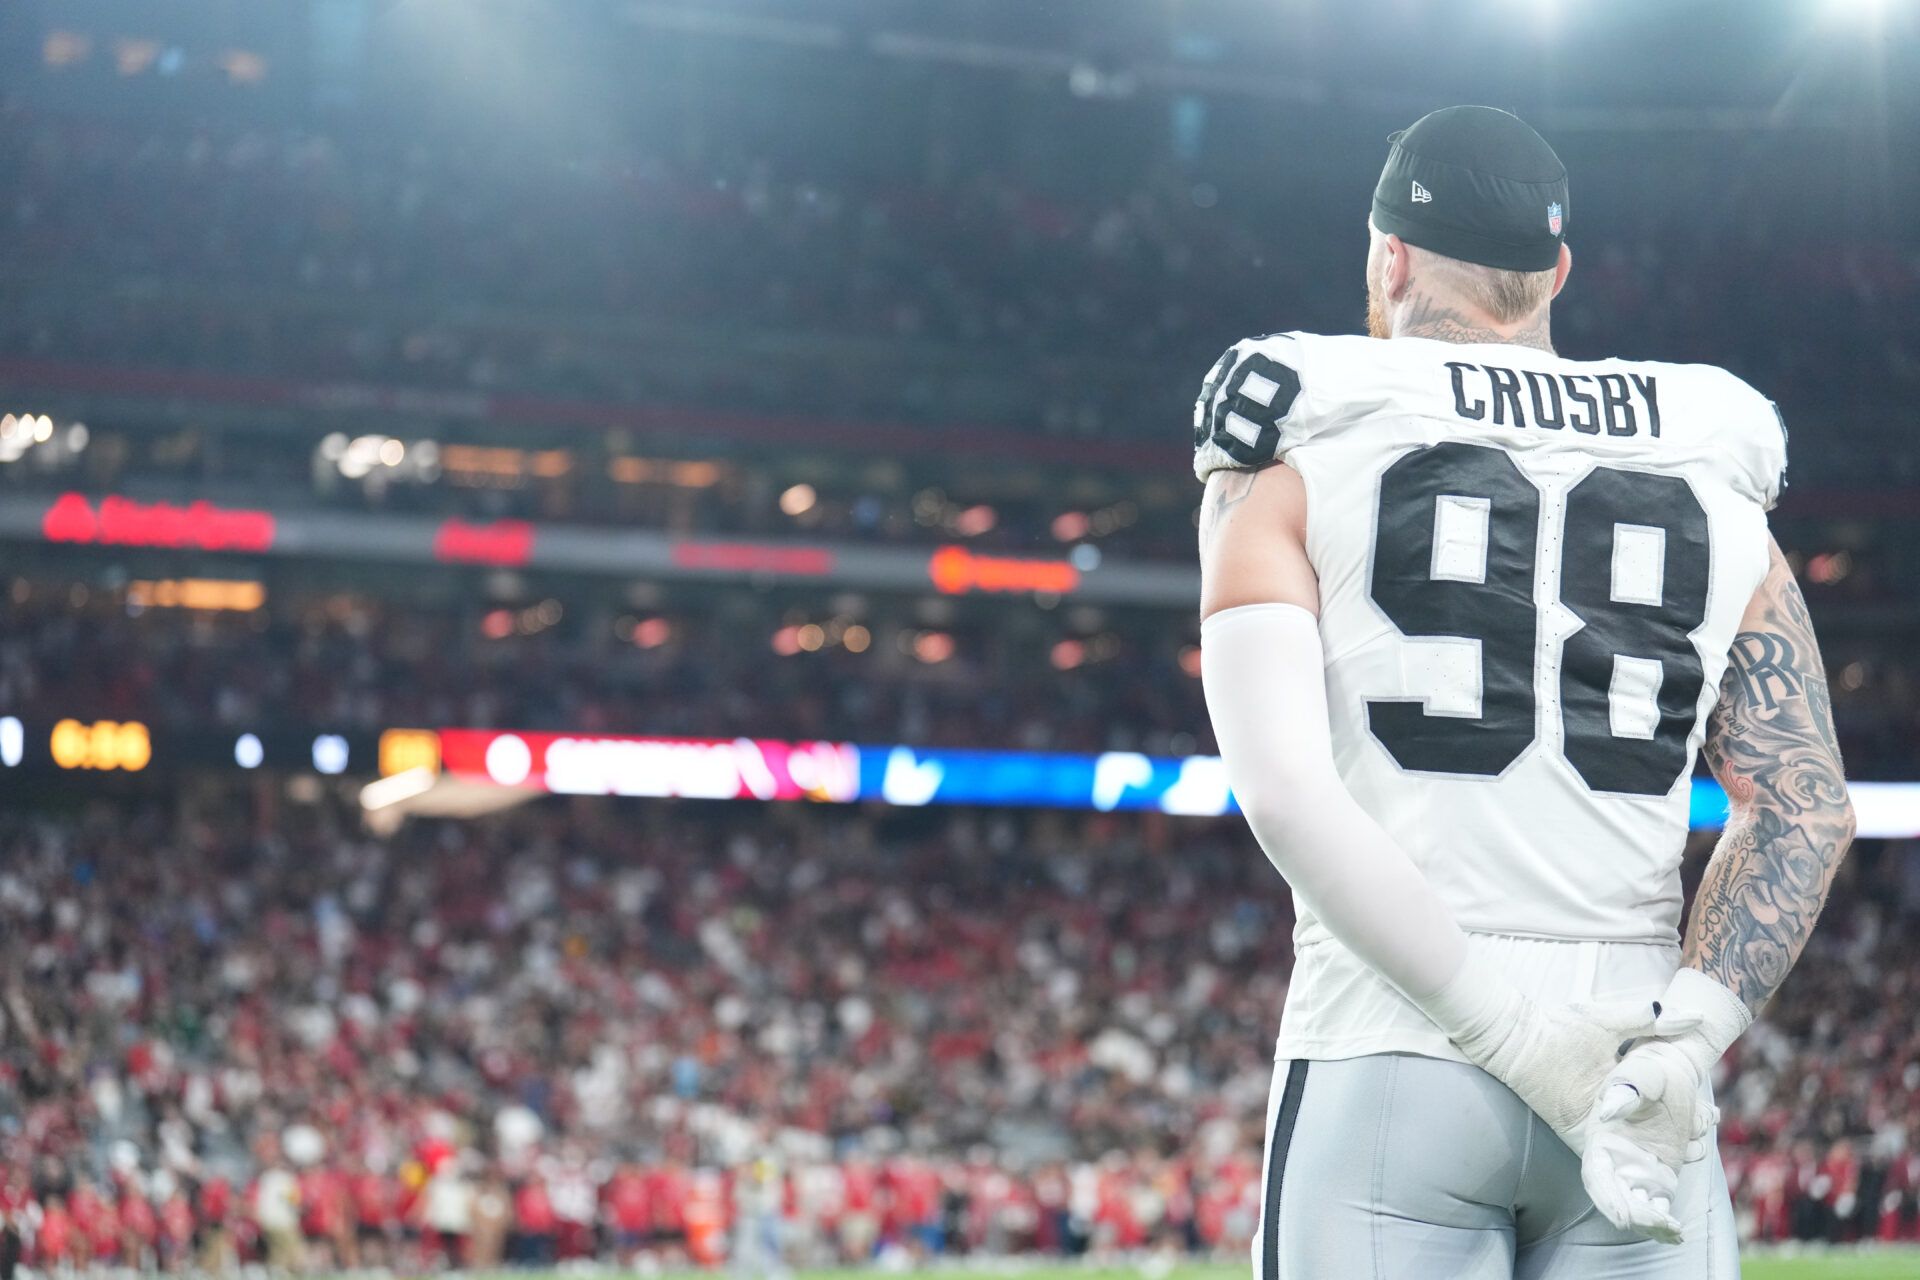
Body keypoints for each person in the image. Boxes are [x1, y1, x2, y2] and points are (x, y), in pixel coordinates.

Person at [1194, 104, 1856, 1277]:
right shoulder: (1712, 458)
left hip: (1395, 1042)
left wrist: (1509, 1033)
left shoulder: (1297, 428)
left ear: (1387, 254)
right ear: (1555, 270)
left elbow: (1287, 793)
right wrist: (1690, 1040)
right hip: (1639, 1059)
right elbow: (1803, 804)